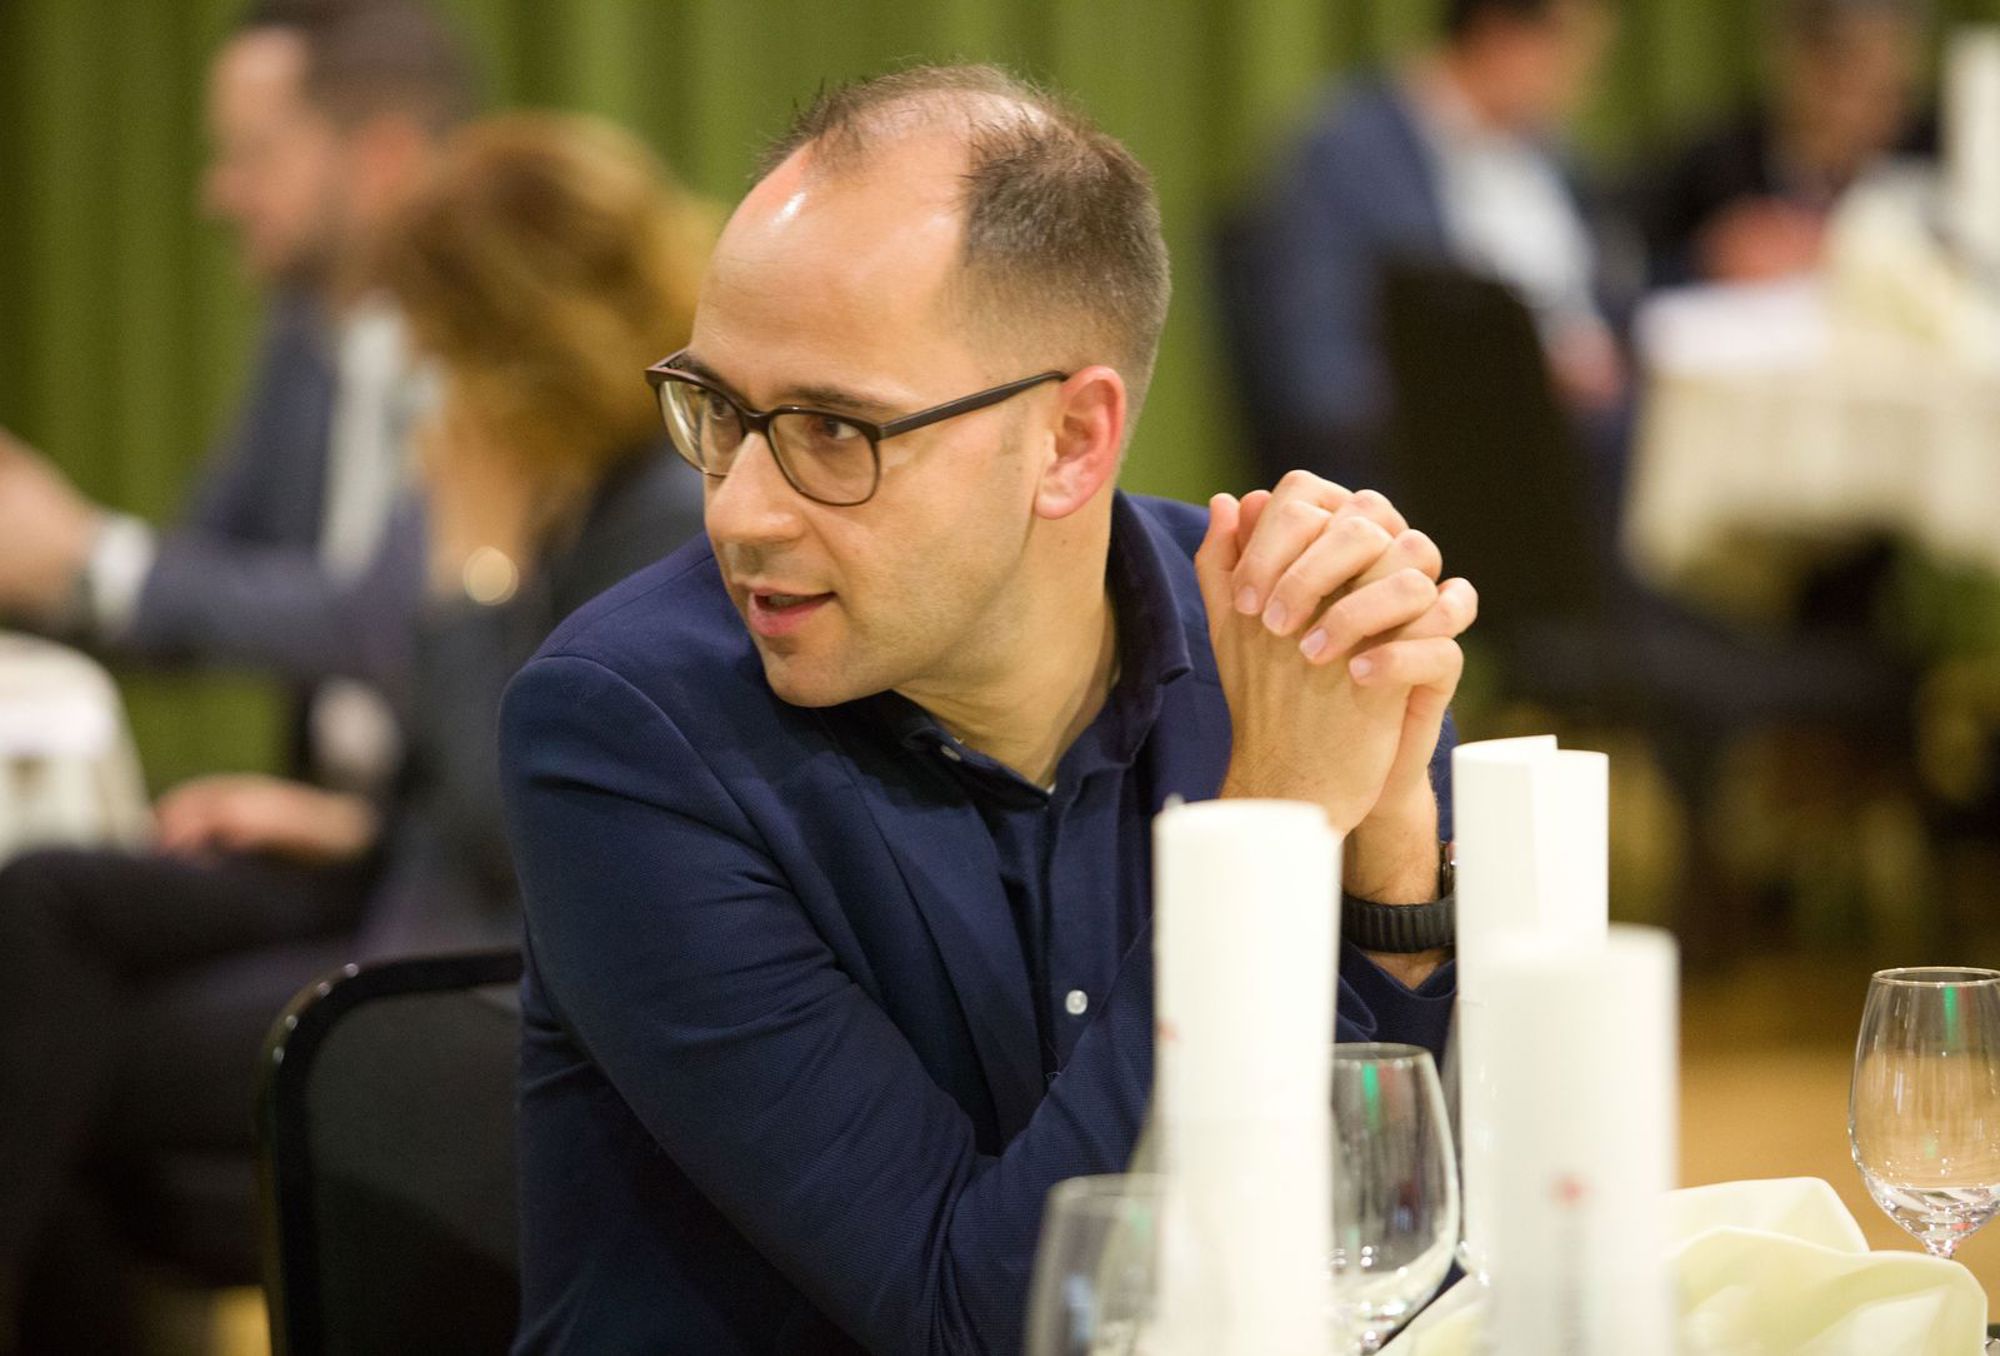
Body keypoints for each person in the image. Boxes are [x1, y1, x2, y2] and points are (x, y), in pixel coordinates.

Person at [501, 64, 1477, 1355]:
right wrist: (1274, 831)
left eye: (833, 432)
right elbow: (992, 1324)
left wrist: (1392, 861)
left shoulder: (1281, 641)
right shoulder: (624, 732)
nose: (737, 508)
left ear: (1071, 440)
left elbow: (1401, 1257)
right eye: (720, 411)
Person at [0, 111, 710, 1353]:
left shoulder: (653, 515)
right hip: (401, 861)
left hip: (483, 944)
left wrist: (470, 576)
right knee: (43, 904)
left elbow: (525, 831)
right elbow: (454, 765)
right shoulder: (548, 470)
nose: (424, 373)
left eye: (440, 339)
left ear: (517, 333)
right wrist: (345, 818)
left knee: (58, 1056)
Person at [0, 0, 471, 795]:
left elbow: (389, 616)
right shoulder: (300, 343)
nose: (218, 194)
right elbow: (193, 585)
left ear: (384, 160)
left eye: (254, 156)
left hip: (449, 837)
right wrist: (38, 564)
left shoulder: (494, 359)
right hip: (316, 810)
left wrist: (89, 558)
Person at [1225, 0, 1618, 493]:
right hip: (1445, 474)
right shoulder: (1345, 158)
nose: (1586, 85)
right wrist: (1515, 386)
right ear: (1501, 36)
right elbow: (1323, 381)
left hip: (1580, 452)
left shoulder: (1553, 157)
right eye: (1576, 56)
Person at [1637, 0, 1934, 287]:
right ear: (1788, 57)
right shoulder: (1716, 166)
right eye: (1838, 70)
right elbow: (1638, 269)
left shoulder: (1933, 152)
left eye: (1882, 86)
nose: (1855, 103)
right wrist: (1708, 259)